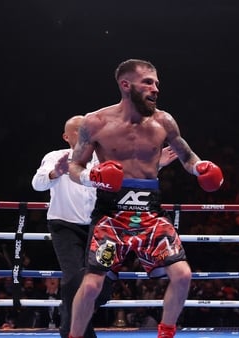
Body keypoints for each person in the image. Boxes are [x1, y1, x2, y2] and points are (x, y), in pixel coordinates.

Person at [67, 59, 224, 338]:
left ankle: (166, 333)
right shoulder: (96, 122)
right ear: (126, 85)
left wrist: (200, 167)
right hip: (110, 214)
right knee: (91, 285)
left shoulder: (164, 121)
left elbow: (187, 156)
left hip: (150, 214)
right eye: (148, 82)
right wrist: (92, 177)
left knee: (183, 275)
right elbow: (74, 166)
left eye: (157, 84)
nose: (155, 89)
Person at [31, 115, 178, 338]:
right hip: (65, 226)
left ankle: (70, 315)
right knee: (74, 279)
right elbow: (37, 183)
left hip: (100, 226)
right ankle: (71, 330)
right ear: (66, 136)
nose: (85, 136)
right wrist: (56, 172)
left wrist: (157, 164)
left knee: (104, 284)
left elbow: (131, 178)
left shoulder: (103, 158)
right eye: (79, 131)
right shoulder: (56, 157)